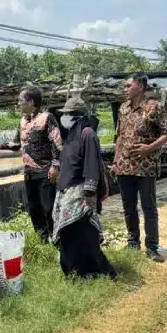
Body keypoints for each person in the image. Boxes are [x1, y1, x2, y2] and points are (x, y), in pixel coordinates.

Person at [111, 72, 167, 263]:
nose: (125, 89)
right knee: (128, 207)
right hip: (124, 166)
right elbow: (120, 136)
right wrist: (115, 161)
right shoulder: (123, 108)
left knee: (148, 207)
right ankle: (133, 243)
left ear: (140, 87)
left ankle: (152, 247)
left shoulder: (154, 107)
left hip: (145, 167)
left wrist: (149, 148)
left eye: (128, 85)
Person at [51, 97, 117, 279]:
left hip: (80, 194)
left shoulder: (87, 134)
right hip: (66, 192)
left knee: (85, 236)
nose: (65, 117)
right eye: (64, 114)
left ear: (78, 116)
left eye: (69, 114)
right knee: (69, 235)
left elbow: (91, 162)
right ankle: (75, 272)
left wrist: (89, 191)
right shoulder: (71, 134)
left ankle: (100, 272)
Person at [0, 86, 61, 242]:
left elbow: (56, 142)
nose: (18, 104)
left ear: (31, 102)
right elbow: (17, 143)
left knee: (48, 207)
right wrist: (2, 146)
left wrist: (55, 166)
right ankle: (42, 240)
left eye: (20, 100)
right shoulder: (23, 121)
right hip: (29, 172)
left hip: (45, 172)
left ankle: (57, 240)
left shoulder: (47, 118)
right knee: (34, 208)